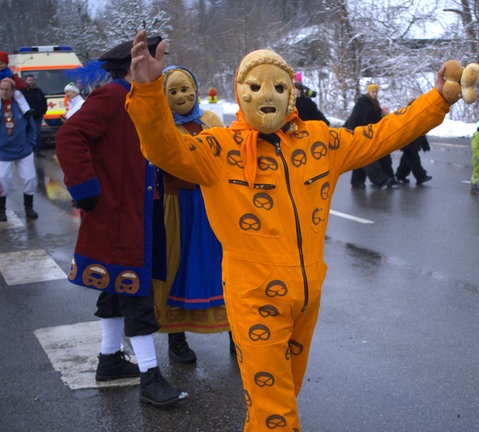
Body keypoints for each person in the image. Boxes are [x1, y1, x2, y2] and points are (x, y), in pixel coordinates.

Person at [127, 29, 462, 431]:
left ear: (291, 94)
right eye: (255, 86)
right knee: (276, 412)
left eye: (278, 86)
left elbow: (383, 135)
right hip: (253, 296)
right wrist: (147, 91)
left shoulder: (320, 142)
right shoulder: (218, 149)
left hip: (307, 296)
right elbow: (162, 148)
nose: (267, 95)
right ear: (241, 91)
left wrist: (437, 99)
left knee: (280, 397)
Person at [55, 36, 187, 407]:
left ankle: (110, 359)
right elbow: (69, 136)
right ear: (133, 64)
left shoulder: (143, 98)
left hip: (139, 210)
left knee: (116, 287)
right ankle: (150, 376)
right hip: (118, 212)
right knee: (136, 292)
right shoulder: (114, 96)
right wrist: (85, 188)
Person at [153, 65, 231, 364]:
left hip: (212, 204)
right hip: (176, 206)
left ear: (196, 90)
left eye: (185, 89)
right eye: (172, 91)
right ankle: (177, 338)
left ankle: (235, 334)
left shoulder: (211, 120)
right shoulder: (160, 125)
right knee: (177, 265)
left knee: (222, 266)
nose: (181, 95)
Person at [344, 83, 400, 188]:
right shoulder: (363, 102)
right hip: (362, 133)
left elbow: (375, 117)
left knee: (367, 158)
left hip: (372, 133)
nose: (375, 94)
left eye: (376, 92)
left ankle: (357, 181)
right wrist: (350, 131)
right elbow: (355, 117)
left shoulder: (374, 102)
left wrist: (383, 116)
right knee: (368, 158)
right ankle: (380, 179)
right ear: (368, 92)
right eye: (373, 92)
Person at [0, 77, 38, 221]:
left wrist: (30, 143)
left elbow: (31, 127)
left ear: (13, 91)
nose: (3, 92)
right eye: (1, 89)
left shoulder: (21, 106)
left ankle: (29, 207)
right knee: (2, 180)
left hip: (23, 150)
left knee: (30, 178)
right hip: (3, 151)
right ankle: (1, 210)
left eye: (7, 89)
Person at [21, 74, 47, 157]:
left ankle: (38, 152)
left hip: (38, 116)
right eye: (29, 80)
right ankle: (29, 151)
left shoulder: (38, 91)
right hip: (28, 116)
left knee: (38, 134)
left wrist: (43, 111)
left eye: (32, 80)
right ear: (26, 81)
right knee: (28, 134)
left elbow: (44, 101)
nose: (31, 82)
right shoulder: (23, 91)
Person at [0, 51, 32, 116]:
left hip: (10, 88)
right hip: (1, 89)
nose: (0, 65)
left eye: (2, 63)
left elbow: (16, 79)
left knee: (18, 95)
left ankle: (26, 110)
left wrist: (23, 86)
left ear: (6, 64)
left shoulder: (8, 72)